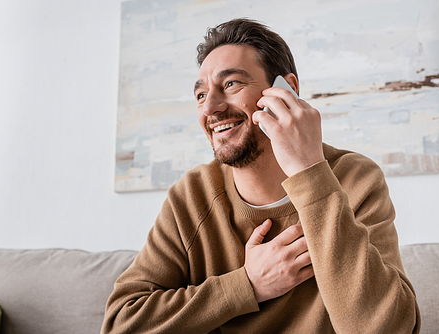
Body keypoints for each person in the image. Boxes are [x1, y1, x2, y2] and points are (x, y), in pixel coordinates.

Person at [102, 18, 420, 333]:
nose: (210, 108)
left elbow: (389, 329)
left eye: (231, 84)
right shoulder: (191, 196)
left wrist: (309, 172)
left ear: (286, 90)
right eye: (200, 95)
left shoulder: (354, 179)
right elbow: (120, 324)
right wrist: (248, 285)